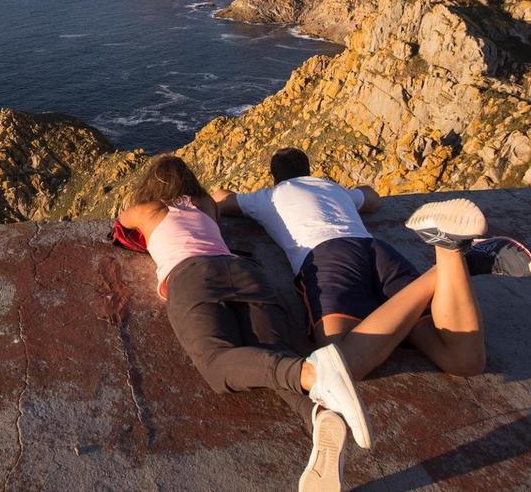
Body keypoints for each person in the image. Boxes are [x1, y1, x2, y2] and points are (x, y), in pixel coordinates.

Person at [117, 154, 373, 492]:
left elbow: (121, 223)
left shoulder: (148, 209)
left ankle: (312, 372)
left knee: (217, 363)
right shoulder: (206, 204)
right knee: (271, 354)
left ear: (152, 183)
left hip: (192, 276)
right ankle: (320, 417)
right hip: (243, 270)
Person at [212, 147, 531, 382]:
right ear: (309, 170)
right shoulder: (332, 188)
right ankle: (452, 257)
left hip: (328, 258)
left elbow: (221, 200)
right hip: (376, 251)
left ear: (275, 176)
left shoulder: (268, 196)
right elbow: (374, 199)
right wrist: (347, 191)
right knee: (463, 362)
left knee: (338, 364)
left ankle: (453, 264)